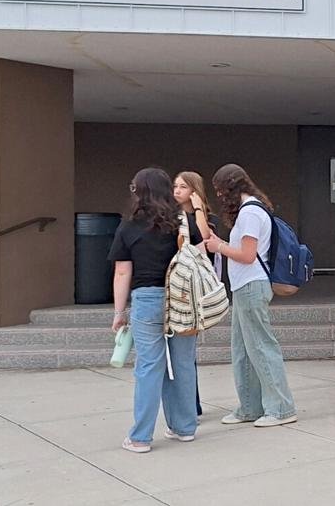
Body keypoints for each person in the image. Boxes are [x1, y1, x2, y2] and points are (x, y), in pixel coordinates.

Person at [110, 168, 199, 453]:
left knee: (149, 367)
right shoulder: (180, 223)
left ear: (138, 191)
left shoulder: (128, 226)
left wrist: (119, 313)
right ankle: (184, 428)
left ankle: (140, 437)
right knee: (183, 363)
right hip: (182, 298)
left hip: (147, 300)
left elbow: (122, 273)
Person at [204, 164, 297, 427]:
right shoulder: (254, 209)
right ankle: (250, 407)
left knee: (260, 347)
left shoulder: (250, 214)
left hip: (251, 285)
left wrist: (219, 246)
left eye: (221, 191)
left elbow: (246, 255)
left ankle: (281, 408)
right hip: (246, 287)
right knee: (244, 350)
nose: (220, 197)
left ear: (230, 189)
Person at [172, 171, 217, 418]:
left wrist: (198, 209)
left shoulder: (209, 218)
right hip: (177, 286)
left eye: (183, 186)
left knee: (187, 349)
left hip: (196, 289)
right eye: (175, 186)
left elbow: (205, 237)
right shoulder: (171, 217)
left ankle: (193, 404)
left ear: (194, 190)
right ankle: (190, 404)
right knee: (183, 350)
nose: (177, 191)